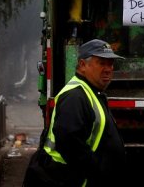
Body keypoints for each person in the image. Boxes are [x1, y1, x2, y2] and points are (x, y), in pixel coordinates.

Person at [23, 39, 126, 186]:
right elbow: (68, 142)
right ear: (83, 65)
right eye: (101, 63)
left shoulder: (90, 92)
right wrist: (97, 171)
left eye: (110, 63)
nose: (108, 69)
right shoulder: (75, 97)